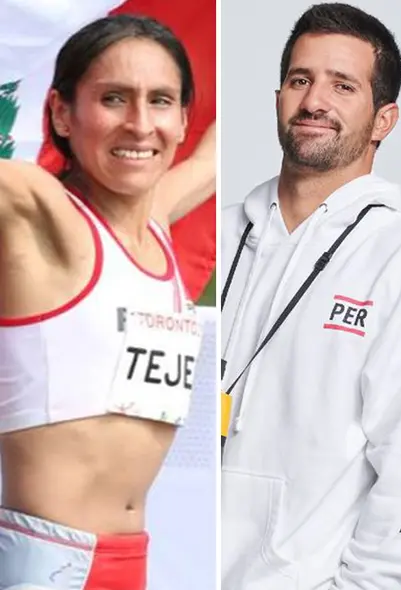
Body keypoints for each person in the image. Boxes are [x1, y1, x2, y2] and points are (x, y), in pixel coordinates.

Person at [0, 14, 216, 590]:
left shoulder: (156, 226)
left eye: (161, 101)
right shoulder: (37, 211)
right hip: (44, 562)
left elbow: (209, 160)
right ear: (62, 113)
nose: (140, 124)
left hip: (131, 561)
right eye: (113, 99)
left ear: (183, 118)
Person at [219, 4, 401, 589]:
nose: (315, 101)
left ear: (384, 119)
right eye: (300, 80)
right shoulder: (216, 237)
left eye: (343, 85)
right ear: (279, 95)